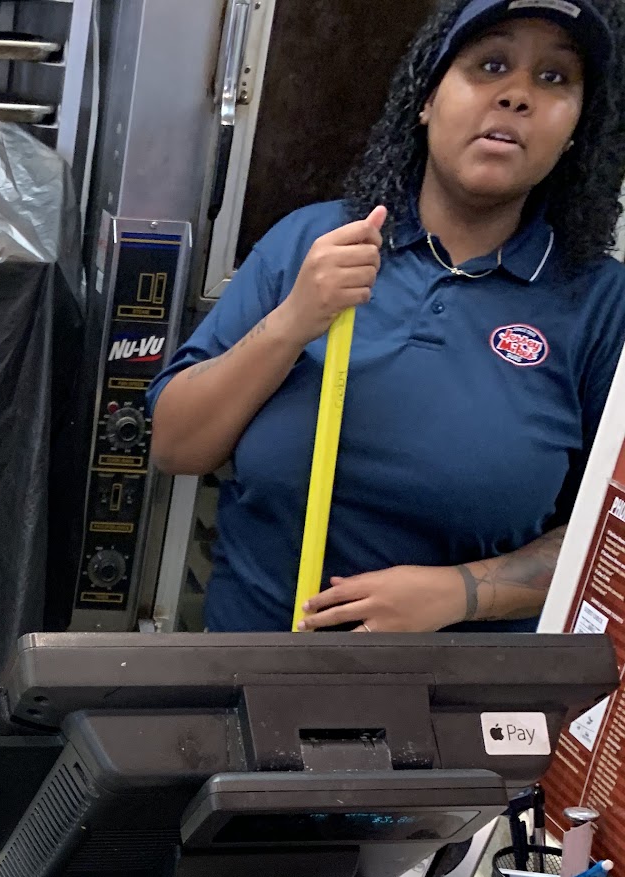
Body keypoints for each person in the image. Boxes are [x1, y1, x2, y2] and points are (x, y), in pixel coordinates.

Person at [149, 0, 625, 633]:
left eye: (553, 77)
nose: (516, 95)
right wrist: (293, 320)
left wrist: (465, 592)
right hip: (251, 666)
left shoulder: (600, 305)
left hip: (465, 686)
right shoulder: (310, 242)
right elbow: (176, 445)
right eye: (490, 65)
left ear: (575, 131)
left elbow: (614, 540)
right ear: (426, 99)